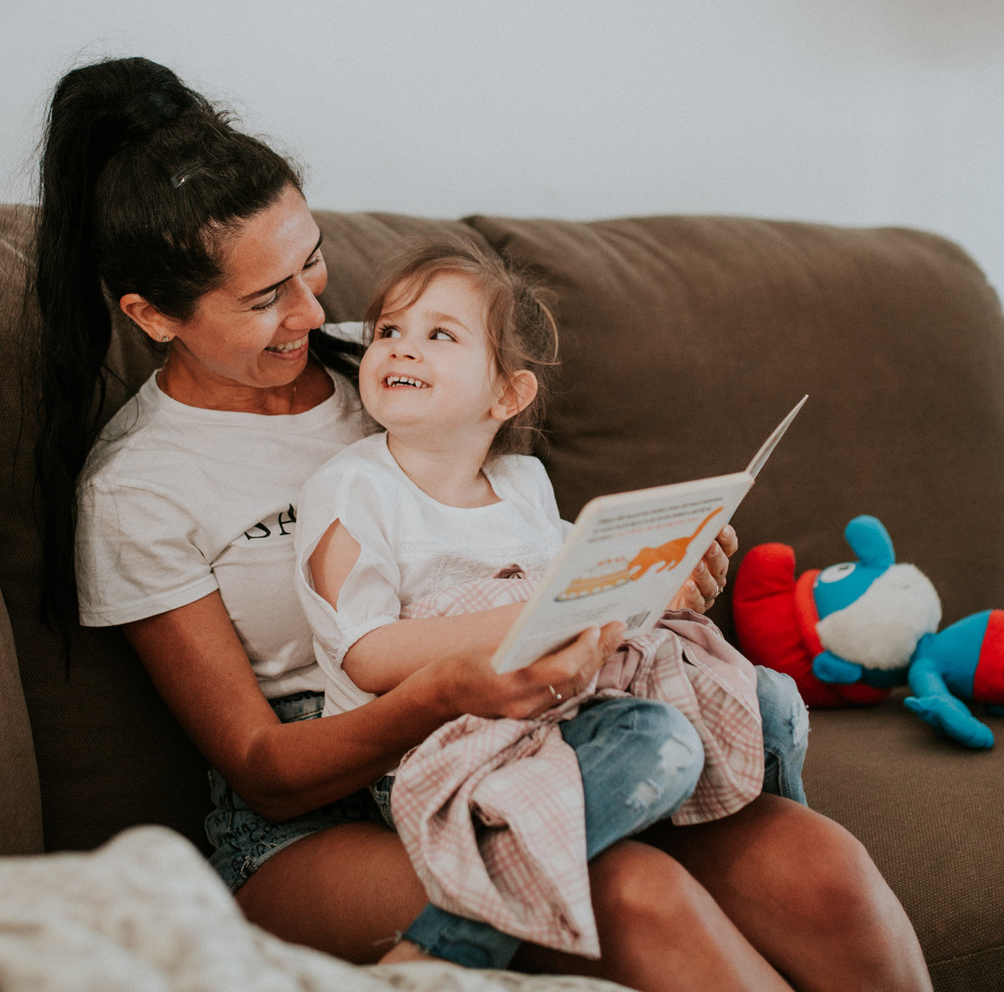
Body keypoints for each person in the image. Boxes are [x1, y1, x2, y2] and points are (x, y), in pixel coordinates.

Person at [33, 55, 933, 992]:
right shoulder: (138, 490)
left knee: (818, 865)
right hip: (313, 819)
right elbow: (265, 770)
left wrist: (649, 583)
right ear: (153, 316)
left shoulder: (389, 367)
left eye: (312, 263)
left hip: (522, 737)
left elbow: (523, 555)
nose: (317, 311)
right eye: (267, 299)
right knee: (625, 888)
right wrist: (442, 694)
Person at [296, 237, 773, 967]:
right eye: (389, 331)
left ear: (506, 395)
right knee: (661, 741)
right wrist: (551, 615)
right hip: (427, 748)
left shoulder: (524, 484)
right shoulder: (353, 488)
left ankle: (750, 864)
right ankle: (442, 949)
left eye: (439, 335)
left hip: (548, 712)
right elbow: (365, 656)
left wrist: (661, 580)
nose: (402, 349)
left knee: (770, 699)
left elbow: (581, 596)